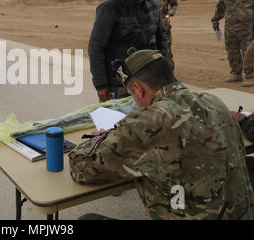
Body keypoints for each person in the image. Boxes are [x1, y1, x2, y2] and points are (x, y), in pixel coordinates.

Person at [69, 47, 254, 220]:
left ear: (139, 89)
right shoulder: (215, 102)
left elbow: (81, 168)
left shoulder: (147, 122)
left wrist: (100, 137)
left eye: (131, 93)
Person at [88, 0, 168, 102]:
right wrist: (101, 85)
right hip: (119, 86)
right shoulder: (108, 9)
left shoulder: (153, 5)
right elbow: (96, 47)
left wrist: (165, 70)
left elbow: (161, 39)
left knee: (152, 122)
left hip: (150, 82)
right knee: (117, 123)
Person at [211, 0, 254, 86]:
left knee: (248, 53)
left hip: (248, 28)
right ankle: (236, 73)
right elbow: (220, 7)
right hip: (230, 28)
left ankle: (250, 76)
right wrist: (215, 20)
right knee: (232, 51)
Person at [149, 0, 178, 71]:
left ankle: (170, 76)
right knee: (151, 53)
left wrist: (168, 15)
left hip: (164, 27)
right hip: (149, 29)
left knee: (167, 52)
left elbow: (174, 4)